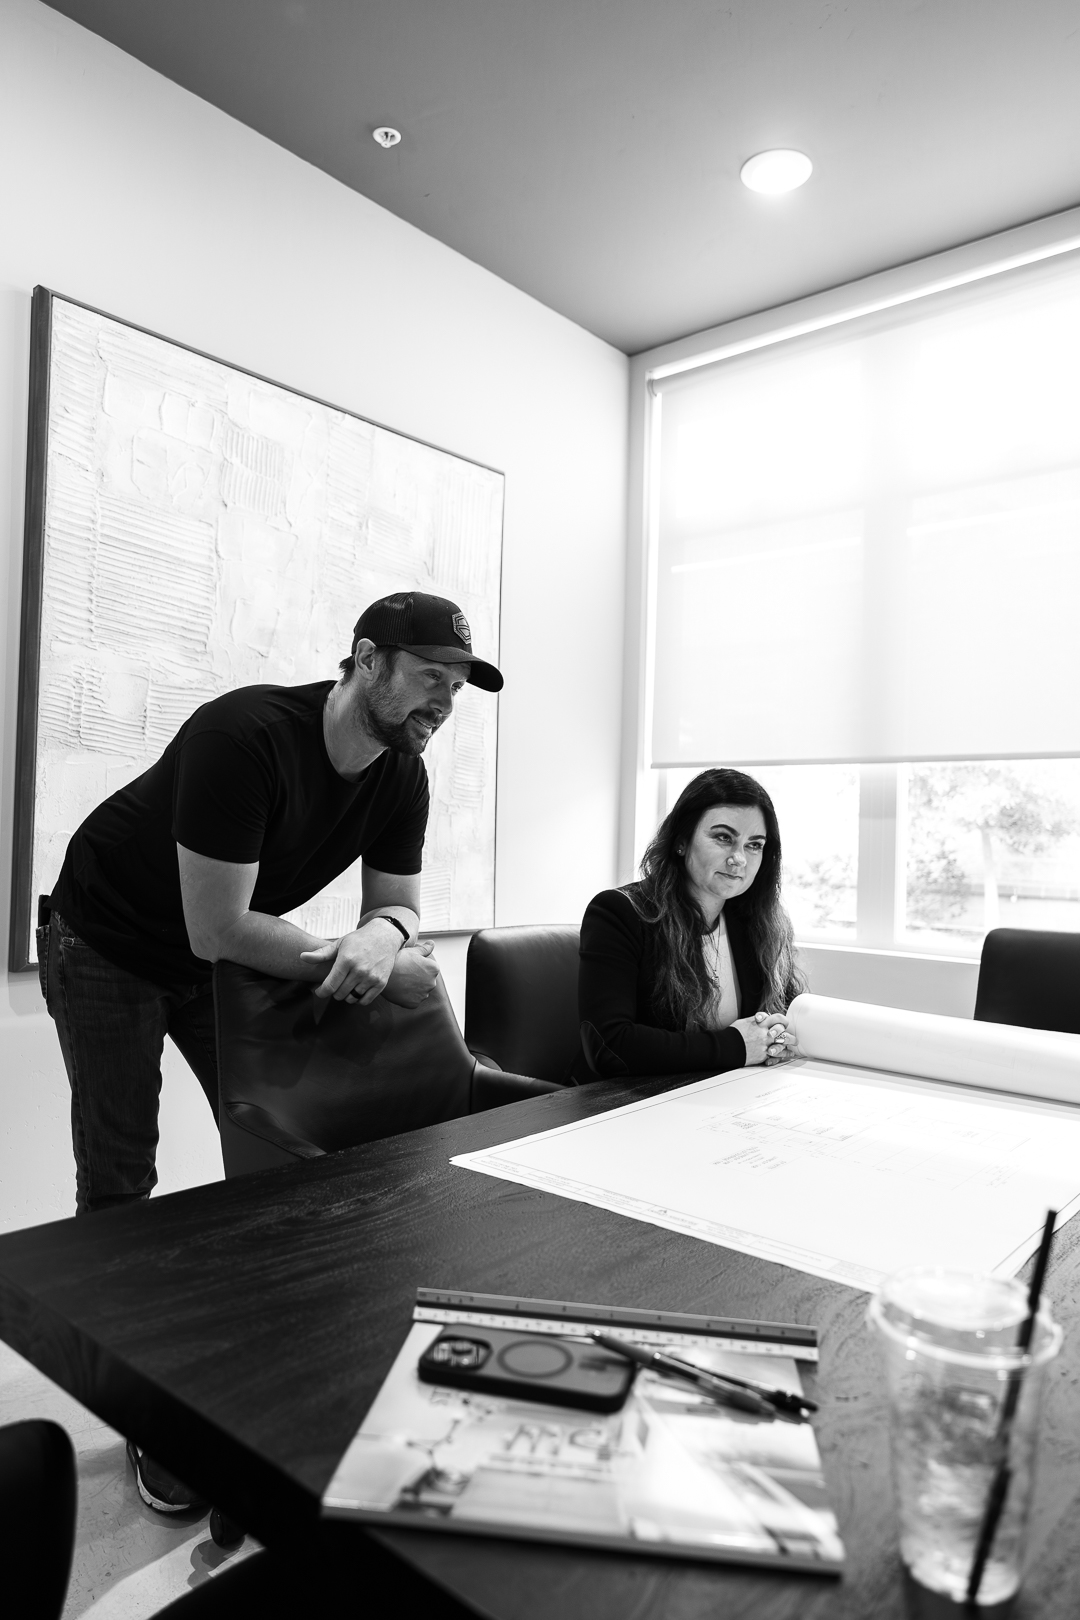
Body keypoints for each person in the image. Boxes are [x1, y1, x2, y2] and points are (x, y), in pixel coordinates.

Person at [39, 589, 502, 1511]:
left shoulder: (402, 770)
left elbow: (398, 904)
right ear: (365, 660)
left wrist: (389, 931)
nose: (443, 700)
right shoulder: (244, 736)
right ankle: (148, 1417)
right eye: (427, 675)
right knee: (124, 1184)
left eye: (457, 684)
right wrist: (364, 949)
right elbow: (214, 930)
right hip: (109, 945)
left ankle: (268, 1376)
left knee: (278, 1154)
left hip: (227, 956)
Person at [573, 768, 805, 1082]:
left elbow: (787, 1016)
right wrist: (737, 1045)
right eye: (724, 838)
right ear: (682, 841)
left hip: (727, 1094)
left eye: (754, 845)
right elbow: (611, 1046)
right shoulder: (619, 913)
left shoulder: (759, 923)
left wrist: (778, 1039)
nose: (739, 859)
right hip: (632, 1104)